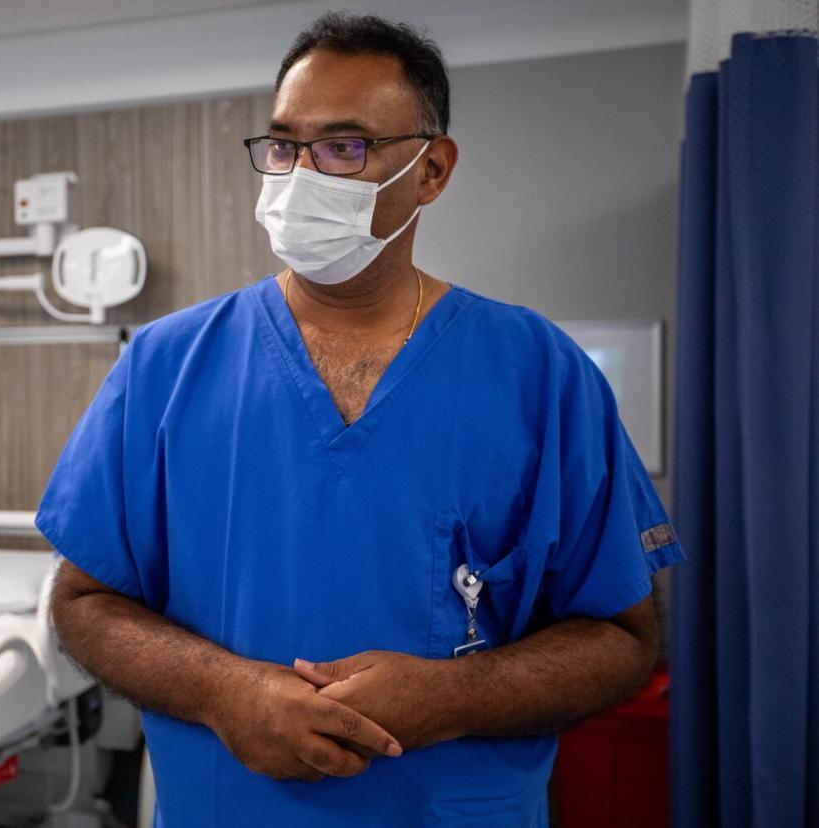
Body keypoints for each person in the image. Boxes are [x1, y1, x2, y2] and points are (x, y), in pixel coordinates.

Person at [36, 12, 683, 826]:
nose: (301, 176)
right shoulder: (164, 367)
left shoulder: (539, 374)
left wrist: (453, 697)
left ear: (431, 169)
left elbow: (625, 638)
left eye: (344, 147)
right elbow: (83, 604)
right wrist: (225, 692)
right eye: (283, 147)